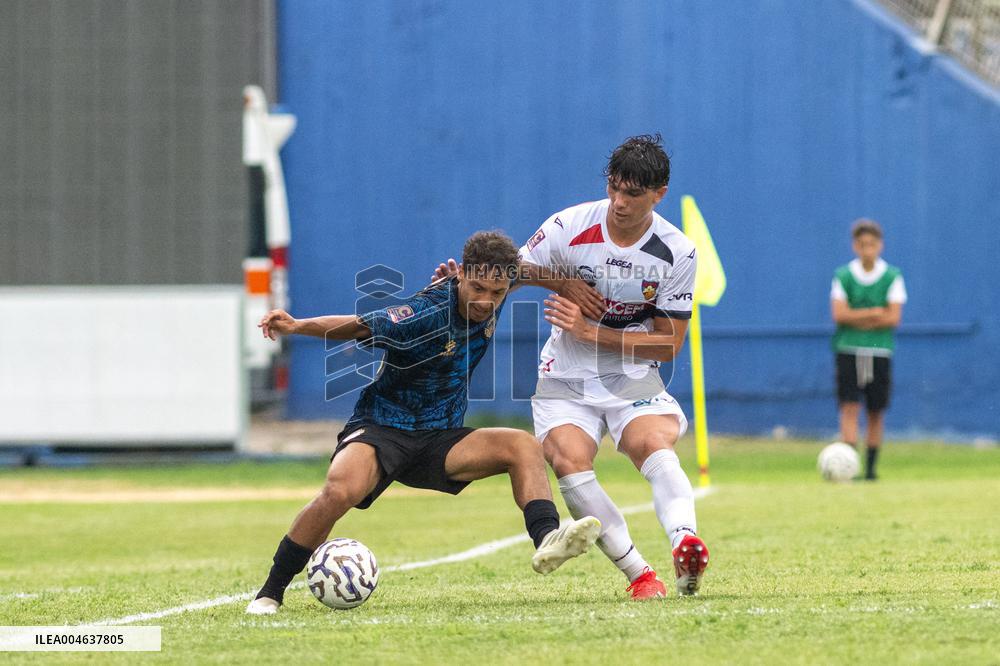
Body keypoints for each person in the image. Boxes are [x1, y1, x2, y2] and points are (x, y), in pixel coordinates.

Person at [246, 231, 600, 615]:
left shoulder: (500, 280)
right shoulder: (425, 312)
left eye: (497, 292)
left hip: (440, 438)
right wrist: (297, 326)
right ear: (461, 274)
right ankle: (271, 591)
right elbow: (358, 325)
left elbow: (528, 272)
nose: (486, 300)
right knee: (339, 490)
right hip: (384, 429)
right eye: (477, 287)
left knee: (523, 445)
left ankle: (547, 538)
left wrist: (571, 285)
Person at [434, 134, 709, 600]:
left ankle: (685, 542)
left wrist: (591, 332)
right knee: (567, 459)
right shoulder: (569, 225)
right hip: (566, 376)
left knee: (651, 444)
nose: (619, 203)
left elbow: (667, 345)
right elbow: (512, 271)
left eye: (633, 195)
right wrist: (463, 285)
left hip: (631, 374)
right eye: (614, 188)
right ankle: (642, 576)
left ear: (658, 195)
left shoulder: (676, 251)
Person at [830, 219, 907, 481]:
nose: (867, 250)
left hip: (879, 351)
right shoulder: (843, 275)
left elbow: (893, 318)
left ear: (880, 246)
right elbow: (839, 314)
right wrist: (874, 312)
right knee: (849, 407)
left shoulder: (892, 276)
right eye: (862, 245)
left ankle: (871, 470)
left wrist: (857, 316)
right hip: (848, 349)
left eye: (872, 245)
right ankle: (847, 467)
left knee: (875, 409)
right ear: (855, 246)